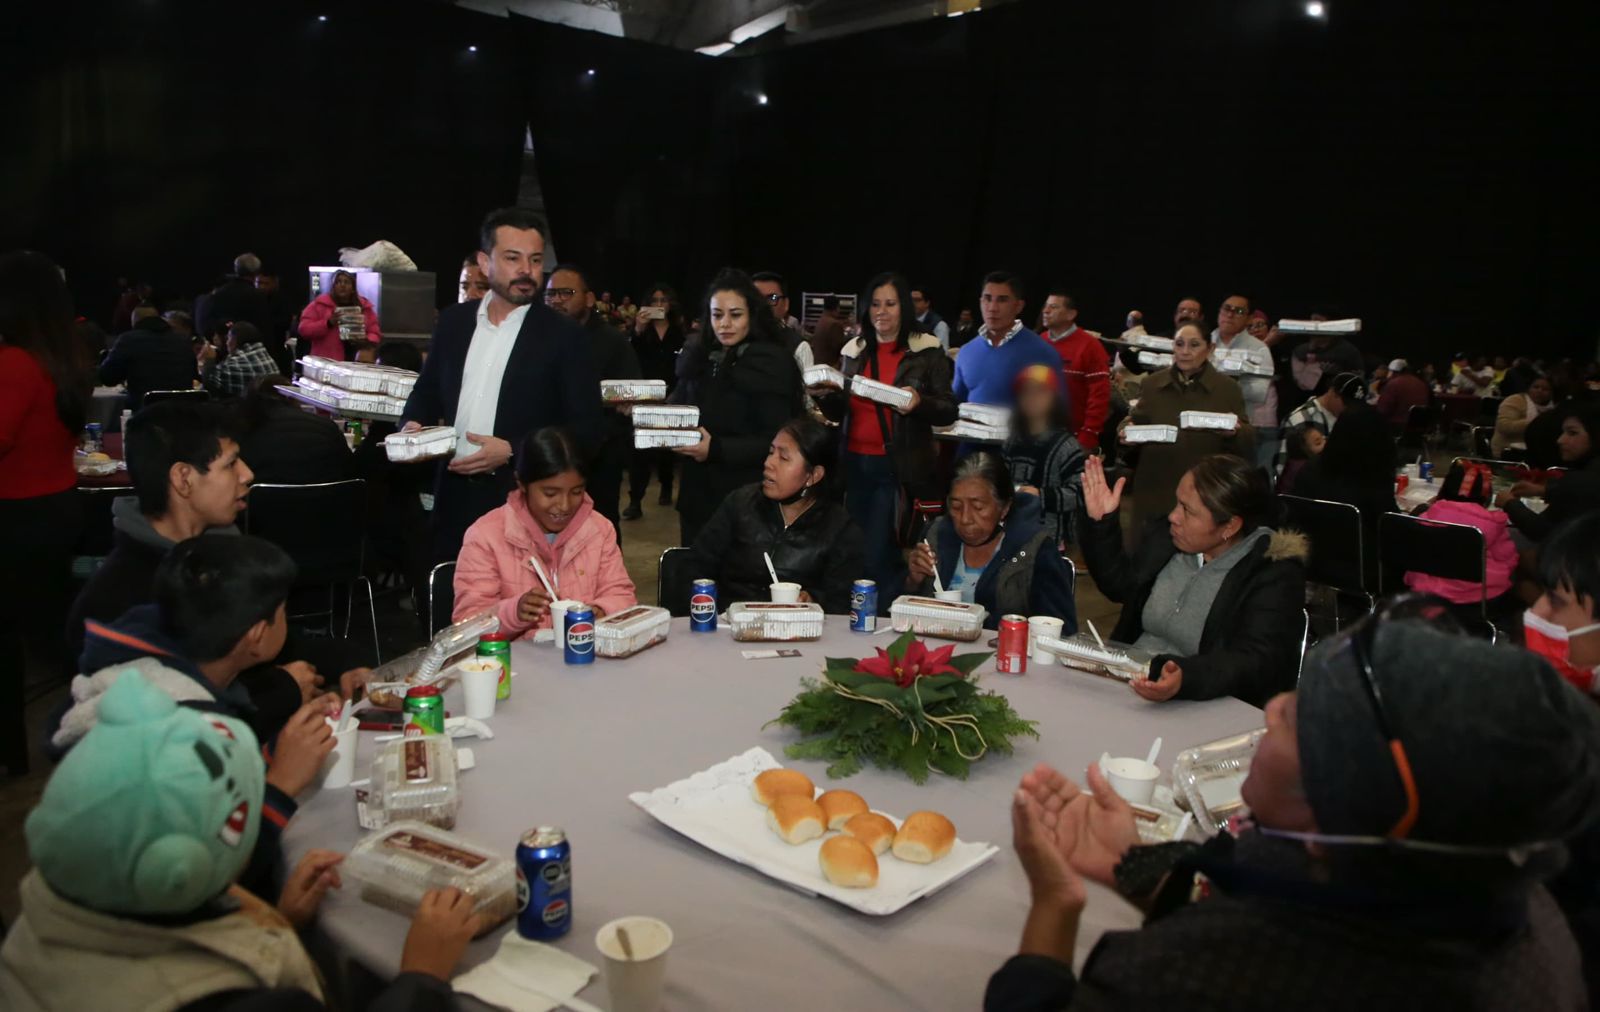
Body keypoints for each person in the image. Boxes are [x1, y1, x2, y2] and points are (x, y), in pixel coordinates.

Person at [988, 605, 1600, 1012]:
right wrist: (1134, 863)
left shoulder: (1202, 977)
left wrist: (1054, 902)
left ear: (1339, 810)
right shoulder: (1517, 905)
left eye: (1302, 718)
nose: (1275, 706)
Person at [3, 669, 477, 1011]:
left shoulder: (41, 917)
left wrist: (278, 923)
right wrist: (421, 976)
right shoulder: (230, 1001)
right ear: (180, 870)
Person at [400, 207, 603, 564]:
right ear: (485, 262)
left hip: (522, 500)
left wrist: (512, 449)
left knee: (520, 599)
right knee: (453, 592)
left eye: (535, 260)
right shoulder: (454, 323)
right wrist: (413, 424)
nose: (526, 270)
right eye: (513, 258)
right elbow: (427, 392)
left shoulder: (565, 337)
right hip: (452, 496)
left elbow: (587, 431)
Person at [1079, 454, 1306, 704]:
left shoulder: (1272, 572)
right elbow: (1121, 586)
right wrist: (1101, 523)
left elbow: (1255, 660)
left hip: (1207, 701)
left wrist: (1185, 679)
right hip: (1131, 683)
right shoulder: (1169, 540)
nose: (1173, 516)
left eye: (1187, 510)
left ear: (1230, 526)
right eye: (1177, 502)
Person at [0, 250, 92, 775]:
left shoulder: (16, 363)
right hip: (55, 507)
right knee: (48, 635)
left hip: (16, 514)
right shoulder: (64, 358)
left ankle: (11, 755)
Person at [814, 272, 957, 597]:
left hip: (895, 467)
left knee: (878, 556)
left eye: (890, 304)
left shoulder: (926, 350)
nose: (882, 311)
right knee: (851, 551)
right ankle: (856, 613)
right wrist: (822, 394)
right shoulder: (855, 350)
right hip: (851, 466)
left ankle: (882, 615)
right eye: (876, 304)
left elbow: (949, 409)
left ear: (904, 307)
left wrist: (919, 403)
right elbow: (839, 412)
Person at [453, 427, 635, 638]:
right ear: (522, 484)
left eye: (576, 492)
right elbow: (467, 625)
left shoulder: (599, 530)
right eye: (550, 493)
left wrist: (601, 611)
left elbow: (622, 596)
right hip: (515, 659)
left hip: (584, 655)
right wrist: (514, 613)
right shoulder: (486, 536)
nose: (564, 505)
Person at [672, 268, 804, 545]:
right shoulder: (698, 357)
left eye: (735, 314)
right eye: (717, 315)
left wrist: (716, 449)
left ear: (752, 315)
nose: (725, 324)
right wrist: (645, 413)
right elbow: (680, 407)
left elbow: (777, 440)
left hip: (748, 498)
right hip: (697, 497)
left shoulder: (771, 364)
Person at [688, 418, 865, 613]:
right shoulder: (740, 504)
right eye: (771, 452)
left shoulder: (838, 528)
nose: (768, 463)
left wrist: (814, 600)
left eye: (784, 458)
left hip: (801, 628)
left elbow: (843, 599)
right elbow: (696, 567)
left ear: (813, 475)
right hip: (728, 622)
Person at [903, 452, 1077, 630]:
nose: (965, 518)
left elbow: (1062, 629)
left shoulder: (1034, 549)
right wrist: (912, 581)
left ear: (1004, 508)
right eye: (956, 507)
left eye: (978, 507)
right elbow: (900, 613)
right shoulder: (937, 536)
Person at [1124, 320, 1255, 532]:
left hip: (1204, 494)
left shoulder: (1228, 389)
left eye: (1194, 345)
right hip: (1154, 488)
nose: (1185, 351)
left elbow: (1247, 444)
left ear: (1210, 349)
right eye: (1179, 344)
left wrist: (1234, 433)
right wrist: (1124, 434)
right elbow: (1134, 423)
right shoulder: (1151, 384)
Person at [543, 263, 641, 533]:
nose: (556, 300)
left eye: (566, 293)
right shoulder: (536, 339)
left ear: (588, 299)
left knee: (600, 531)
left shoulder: (612, 342)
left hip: (599, 460)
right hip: (547, 455)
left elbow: (630, 396)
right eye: (550, 294)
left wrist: (598, 439)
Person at [1289, 405, 1398, 585]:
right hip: (1365, 568)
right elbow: (1390, 526)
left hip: (1310, 561)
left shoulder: (1309, 469)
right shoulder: (1371, 475)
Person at [1403, 462, 1517, 617]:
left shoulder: (1427, 516)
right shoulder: (1494, 524)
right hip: (1481, 598)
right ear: (1487, 496)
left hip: (1429, 595)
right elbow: (1509, 560)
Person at [1003, 364, 1085, 547]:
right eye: (1025, 392)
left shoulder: (1067, 446)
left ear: (1054, 398)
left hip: (1051, 541)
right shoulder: (1012, 442)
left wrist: (1041, 496)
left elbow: (1081, 493)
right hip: (1013, 535)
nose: (1032, 398)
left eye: (1040, 391)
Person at [952, 272, 1062, 406]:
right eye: (987, 298)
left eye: (1002, 300)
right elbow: (954, 405)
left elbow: (1055, 411)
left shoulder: (1042, 353)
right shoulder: (967, 351)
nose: (992, 308)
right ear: (980, 302)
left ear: (1018, 306)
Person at [625, 284, 686, 521]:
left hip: (672, 396)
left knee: (667, 450)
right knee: (639, 450)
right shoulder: (642, 332)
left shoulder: (679, 333)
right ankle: (635, 500)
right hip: (645, 396)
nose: (659, 305)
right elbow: (629, 358)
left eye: (663, 300)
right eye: (655, 301)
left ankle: (666, 486)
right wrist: (638, 329)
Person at [1497, 403, 1600, 542]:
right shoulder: (1588, 473)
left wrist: (1509, 503)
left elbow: (1544, 533)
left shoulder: (1582, 479)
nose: (1560, 440)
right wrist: (1545, 491)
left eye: (1572, 433)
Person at [235, 375, 354, 485]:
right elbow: (349, 472)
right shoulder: (326, 426)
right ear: (293, 397)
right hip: (324, 499)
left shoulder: (240, 432)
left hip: (261, 500)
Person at [1040, 288, 1110, 452]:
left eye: (1054, 307)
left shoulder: (1090, 346)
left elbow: (1099, 396)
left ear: (1071, 314)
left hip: (1074, 439)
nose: (1046, 311)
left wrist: (1088, 435)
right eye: (1046, 306)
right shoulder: (1039, 342)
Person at [1212, 294, 1279, 468]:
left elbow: (1259, 393)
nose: (1230, 314)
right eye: (1227, 308)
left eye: (1239, 311)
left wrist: (1222, 385)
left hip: (1240, 428)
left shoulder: (1259, 349)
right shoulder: (1204, 342)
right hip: (1203, 428)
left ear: (1249, 318)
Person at [98, 306, 198, 408]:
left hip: (144, 411)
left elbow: (107, 378)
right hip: (184, 411)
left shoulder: (128, 340)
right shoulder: (183, 341)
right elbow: (193, 374)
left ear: (134, 322)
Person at [1274, 371, 1364, 476]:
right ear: (1333, 393)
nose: (1349, 408)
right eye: (1346, 403)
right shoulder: (1299, 419)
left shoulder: (1353, 418)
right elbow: (1282, 470)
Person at [194, 252, 278, 359]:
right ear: (256, 271)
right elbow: (265, 329)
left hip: (224, 354)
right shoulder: (258, 296)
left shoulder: (218, 294)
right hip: (252, 355)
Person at [296, 269, 381, 362]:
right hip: (327, 362)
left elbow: (375, 332)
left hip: (357, 361)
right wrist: (328, 323)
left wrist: (366, 341)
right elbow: (304, 329)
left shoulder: (364, 307)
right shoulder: (319, 305)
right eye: (338, 282)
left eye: (346, 282)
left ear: (353, 288)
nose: (342, 285)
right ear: (333, 287)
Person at [752, 271, 813, 372]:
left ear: (786, 304)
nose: (763, 305)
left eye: (772, 298)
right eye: (756, 298)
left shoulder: (799, 348)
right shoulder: (738, 340)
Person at [202, 321, 280, 398]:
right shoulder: (264, 355)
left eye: (228, 338)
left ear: (234, 340)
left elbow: (210, 383)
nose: (227, 343)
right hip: (272, 404)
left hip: (252, 405)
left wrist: (209, 359)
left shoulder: (235, 364)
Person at [1492, 375, 1556, 456]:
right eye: (1536, 387)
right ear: (1528, 388)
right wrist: (1536, 421)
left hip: (1539, 452)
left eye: (1545, 389)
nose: (1539, 391)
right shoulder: (1515, 400)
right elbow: (1504, 426)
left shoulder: (1554, 408)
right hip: (1508, 450)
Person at [1290, 325, 1363, 394]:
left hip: (1341, 395)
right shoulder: (1300, 351)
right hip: (1307, 396)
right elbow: (1304, 385)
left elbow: (1359, 381)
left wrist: (1338, 372)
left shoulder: (1349, 350)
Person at [1373, 357, 1430, 431]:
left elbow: (1383, 410)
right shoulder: (1421, 383)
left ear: (1392, 371)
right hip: (1418, 428)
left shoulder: (1394, 383)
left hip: (1396, 427)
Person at [1276, 422, 1326, 493]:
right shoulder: (1303, 469)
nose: (1325, 443)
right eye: (1318, 443)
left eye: (1324, 439)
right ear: (1303, 449)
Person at [809, 294, 849, 368]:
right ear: (837, 308)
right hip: (830, 367)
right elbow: (841, 348)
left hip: (817, 365)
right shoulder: (834, 324)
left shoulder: (821, 321)